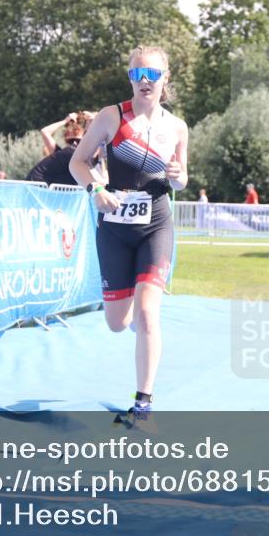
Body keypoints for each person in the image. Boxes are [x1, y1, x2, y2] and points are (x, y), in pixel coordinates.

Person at [69, 45, 188, 423]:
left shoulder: (177, 126)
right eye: (137, 74)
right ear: (130, 79)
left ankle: (144, 402)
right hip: (115, 227)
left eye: (151, 74)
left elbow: (182, 178)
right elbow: (77, 162)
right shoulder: (110, 117)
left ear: (165, 79)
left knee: (150, 314)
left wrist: (178, 178)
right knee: (118, 323)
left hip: (156, 224)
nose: (144, 81)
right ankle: (138, 318)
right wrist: (96, 189)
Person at [27, 112, 103, 186]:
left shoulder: (66, 154)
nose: (73, 141)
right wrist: (65, 121)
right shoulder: (72, 153)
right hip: (37, 187)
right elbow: (45, 131)